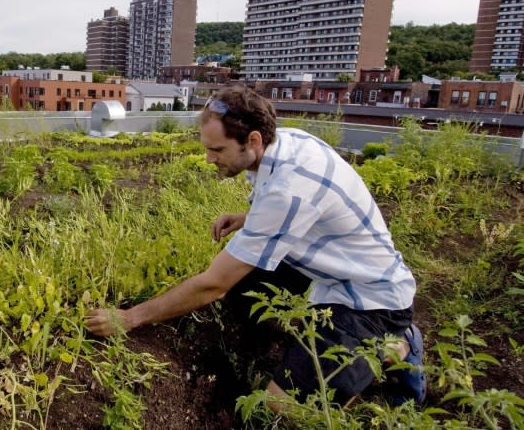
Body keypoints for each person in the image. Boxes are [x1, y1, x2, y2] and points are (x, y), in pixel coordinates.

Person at [85, 85, 426, 410]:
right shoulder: (284, 144)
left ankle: (395, 346)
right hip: (329, 272)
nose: (207, 158)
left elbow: (213, 285)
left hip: (369, 299)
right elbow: (303, 208)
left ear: (252, 139)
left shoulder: (289, 187)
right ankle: (308, 348)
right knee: (245, 290)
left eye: (217, 150)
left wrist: (130, 317)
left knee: (283, 407)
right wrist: (250, 218)